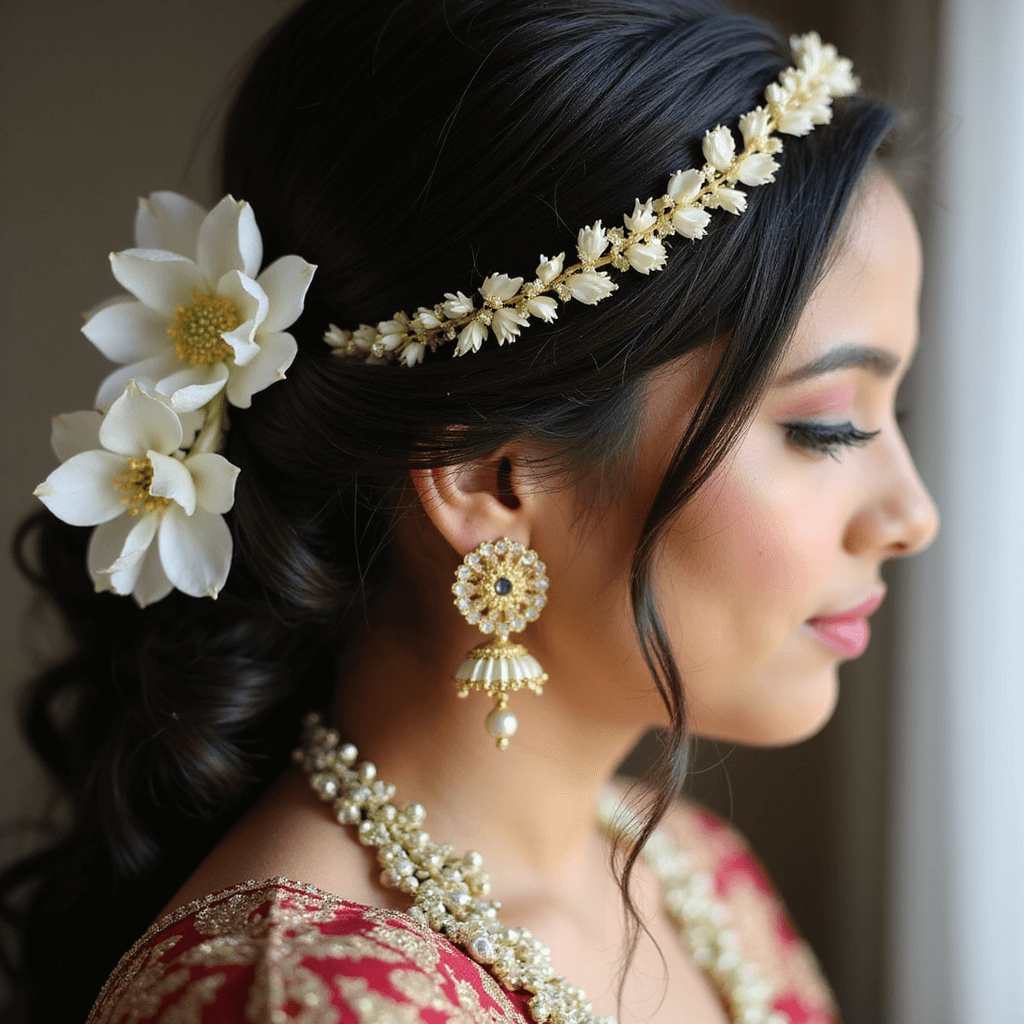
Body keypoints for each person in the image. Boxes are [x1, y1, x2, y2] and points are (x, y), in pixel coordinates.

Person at [2, 0, 939, 1021]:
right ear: (491, 479)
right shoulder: (293, 998)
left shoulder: (685, 869)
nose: (911, 513)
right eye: (830, 426)